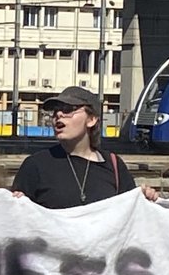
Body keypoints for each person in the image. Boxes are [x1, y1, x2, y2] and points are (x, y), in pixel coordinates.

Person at [13, 86, 157, 208]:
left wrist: (145, 200)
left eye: (68, 109)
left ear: (92, 119)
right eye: (55, 111)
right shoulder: (36, 165)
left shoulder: (114, 165)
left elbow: (129, 214)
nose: (59, 114)